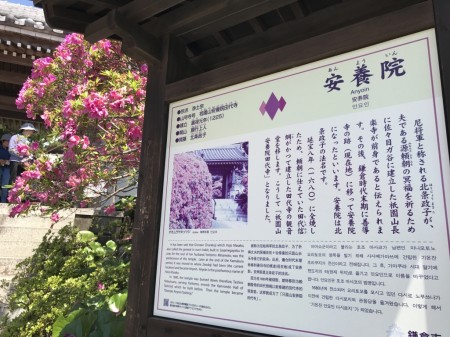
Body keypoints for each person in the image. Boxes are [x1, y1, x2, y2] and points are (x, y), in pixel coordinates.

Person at [0, 133, 11, 202]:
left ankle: (3, 201)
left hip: (7, 169)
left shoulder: (11, 150)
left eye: (9, 141)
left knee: (5, 185)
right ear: (2, 141)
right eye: (6, 141)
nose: (8, 142)